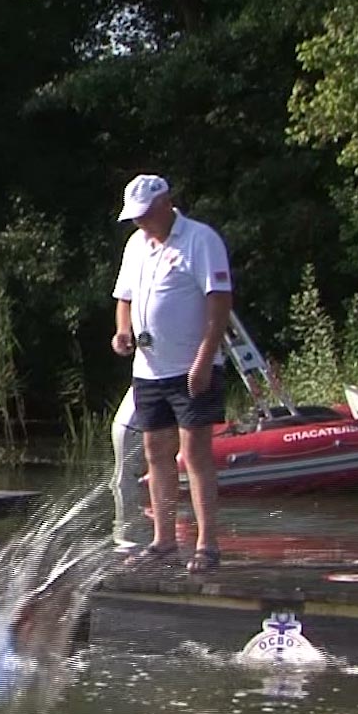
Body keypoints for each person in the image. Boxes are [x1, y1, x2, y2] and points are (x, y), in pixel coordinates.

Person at [109, 174, 233, 574]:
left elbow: (219, 306)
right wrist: (123, 332)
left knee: (194, 454)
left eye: (145, 215)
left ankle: (207, 544)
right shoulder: (135, 245)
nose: (139, 223)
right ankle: (163, 540)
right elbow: (124, 298)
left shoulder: (201, 240)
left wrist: (203, 361)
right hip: (149, 369)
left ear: (165, 204)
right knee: (154, 454)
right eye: (135, 217)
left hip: (192, 366)